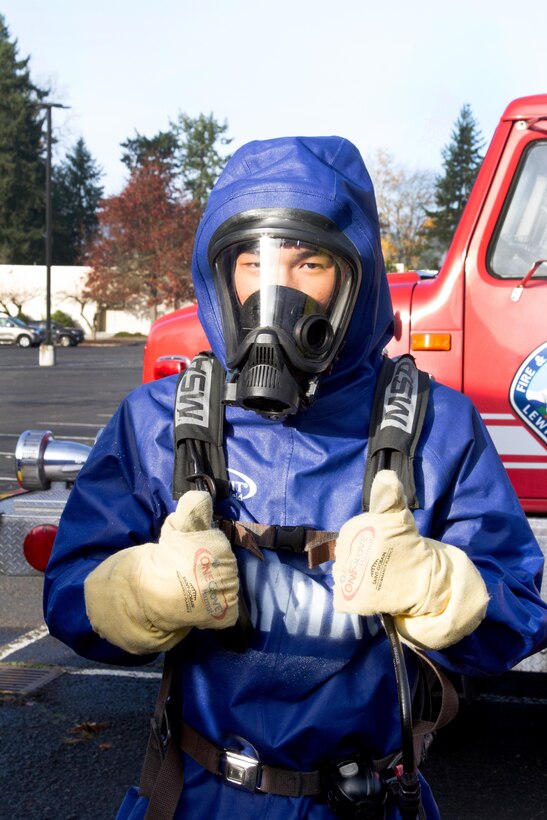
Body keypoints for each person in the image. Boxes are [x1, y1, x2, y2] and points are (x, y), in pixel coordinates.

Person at [43, 135, 547, 820]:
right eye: (252, 261)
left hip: (367, 799)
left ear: (355, 275)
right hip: (199, 797)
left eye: (307, 261)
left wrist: (440, 588)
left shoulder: (437, 426)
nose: (274, 293)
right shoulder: (156, 422)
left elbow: (517, 608)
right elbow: (71, 599)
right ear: (221, 275)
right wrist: (137, 591)